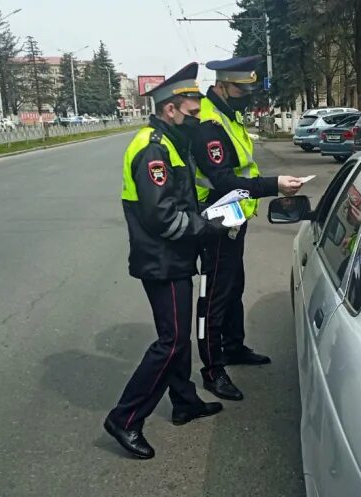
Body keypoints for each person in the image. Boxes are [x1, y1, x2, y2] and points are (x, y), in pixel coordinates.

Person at [104, 63, 227, 460]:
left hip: (172, 255)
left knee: (175, 337)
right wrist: (205, 227)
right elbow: (161, 217)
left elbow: (182, 199)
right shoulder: (154, 148)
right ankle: (125, 418)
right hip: (161, 258)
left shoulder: (172, 142)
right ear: (171, 108)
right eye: (192, 113)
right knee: (171, 341)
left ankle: (185, 401)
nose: (197, 120)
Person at [189, 55, 303, 401]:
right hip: (215, 218)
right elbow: (223, 180)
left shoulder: (229, 115)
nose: (247, 95)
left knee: (234, 285)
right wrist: (275, 186)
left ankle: (233, 346)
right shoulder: (208, 123)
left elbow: (243, 168)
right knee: (214, 297)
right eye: (242, 89)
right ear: (222, 85)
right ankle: (212, 370)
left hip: (235, 217)